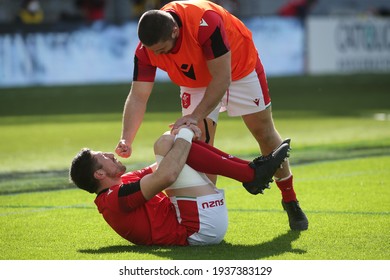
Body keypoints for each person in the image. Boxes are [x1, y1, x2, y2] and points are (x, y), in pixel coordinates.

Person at [115, 0, 308, 231]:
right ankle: (210, 220)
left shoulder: (204, 22)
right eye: (153, 51)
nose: (157, 55)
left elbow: (221, 79)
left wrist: (194, 117)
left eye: (162, 50)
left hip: (238, 68)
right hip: (195, 81)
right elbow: (138, 96)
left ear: (175, 31)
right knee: (200, 145)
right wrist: (126, 138)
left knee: (265, 134)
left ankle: (290, 199)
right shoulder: (146, 50)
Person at [70, 126, 291, 245]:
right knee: (168, 145)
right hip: (196, 230)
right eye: (104, 157)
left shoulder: (121, 185)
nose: (110, 154)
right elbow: (166, 175)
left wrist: (179, 134)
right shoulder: (113, 200)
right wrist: (184, 134)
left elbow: (164, 162)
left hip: (195, 217)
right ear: (99, 173)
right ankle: (250, 174)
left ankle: (251, 172)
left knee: (169, 143)